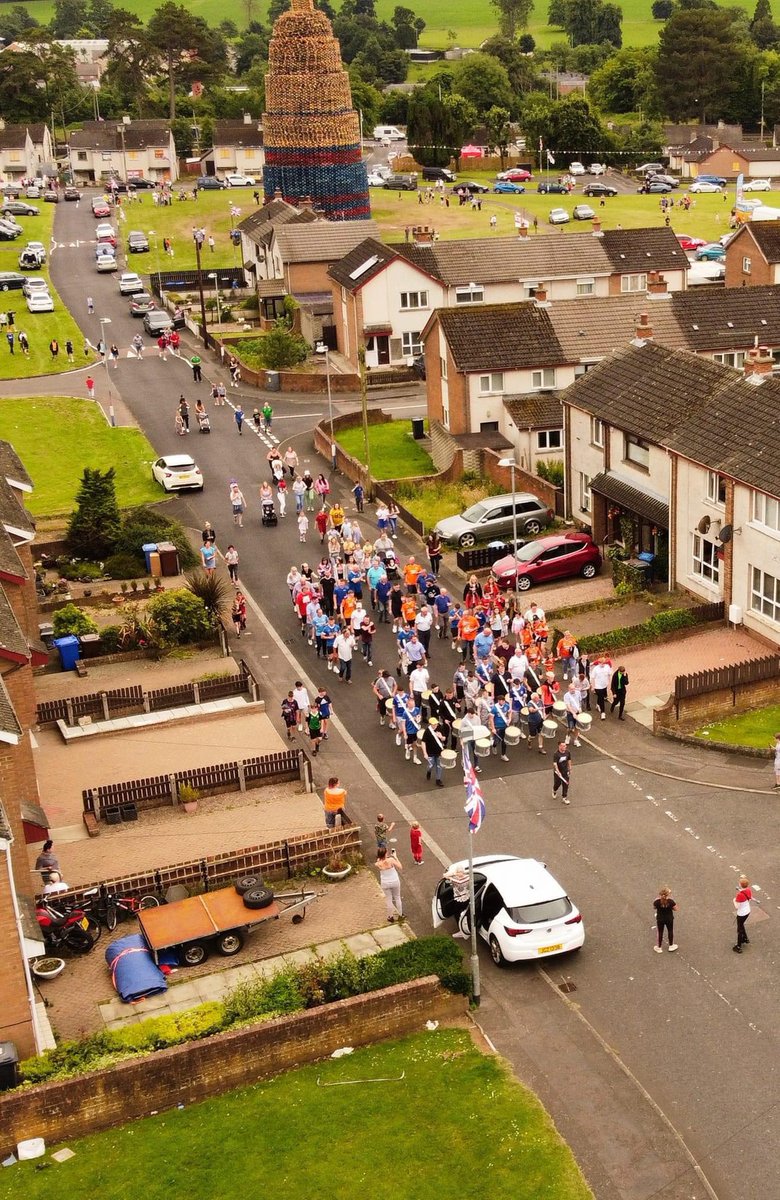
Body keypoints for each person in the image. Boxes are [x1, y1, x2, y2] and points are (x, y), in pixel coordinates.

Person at [375, 847, 403, 922]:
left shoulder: (377, 863)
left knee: (389, 899)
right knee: (397, 897)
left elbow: (380, 861)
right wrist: (396, 857)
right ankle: (400, 915)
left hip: (385, 883)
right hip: (395, 881)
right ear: (385, 853)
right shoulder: (391, 860)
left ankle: (390, 917)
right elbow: (400, 866)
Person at [445, 865, 470, 938]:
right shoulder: (468, 877)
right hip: (467, 898)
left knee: (457, 914)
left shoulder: (455, 880)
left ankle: (461, 931)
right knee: (465, 913)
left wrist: (454, 874)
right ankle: (467, 925)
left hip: (459, 900)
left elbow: (445, 876)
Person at [653, 886, 678, 953]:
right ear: (668, 895)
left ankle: (659, 947)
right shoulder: (671, 901)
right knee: (670, 931)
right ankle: (671, 946)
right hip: (669, 919)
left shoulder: (657, 901)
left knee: (660, 932)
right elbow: (676, 909)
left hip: (660, 919)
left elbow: (654, 907)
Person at [733, 876, 752, 953]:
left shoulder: (740, 895)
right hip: (747, 911)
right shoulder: (748, 891)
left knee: (739, 929)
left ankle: (738, 946)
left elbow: (737, 907)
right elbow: (749, 899)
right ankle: (745, 938)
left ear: (740, 885)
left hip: (741, 913)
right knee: (741, 925)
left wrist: (734, 900)